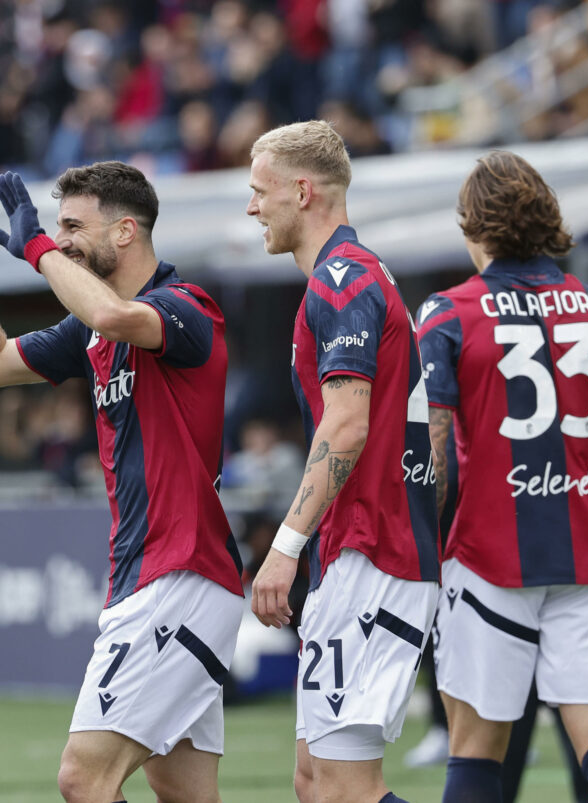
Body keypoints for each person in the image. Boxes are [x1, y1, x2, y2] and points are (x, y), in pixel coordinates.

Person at [0, 163, 245, 803]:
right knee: (183, 791)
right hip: (151, 573)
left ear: (126, 232)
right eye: (55, 229)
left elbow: (115, 315)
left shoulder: (186, 307)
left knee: (84, 778)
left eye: (73, 227)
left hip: (179, 573)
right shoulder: (91, 329)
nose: (59, 240)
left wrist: (32, 248)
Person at [415, 150, 588, 803]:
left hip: (486, 558)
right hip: (587, 554)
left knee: (475, 753)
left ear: (474, 227)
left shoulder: (447, 312)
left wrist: (419, 553)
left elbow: (434, 458)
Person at [245, 120, 440, 803]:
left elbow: (349, 424)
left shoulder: (342, 280)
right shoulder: (357, 274)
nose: (251, 207)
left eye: (259, 190)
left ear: (302, 191)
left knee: (341, 787)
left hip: (373, 551)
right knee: (312, 780)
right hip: (366, 547)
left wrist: (284, 545)